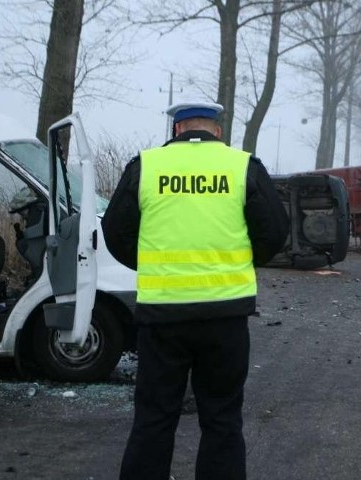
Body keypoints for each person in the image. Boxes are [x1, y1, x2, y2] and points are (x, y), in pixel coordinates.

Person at [101, 101, 289, 480]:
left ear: (177, 130)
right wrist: (237, 264)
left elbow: (115, 233)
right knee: (222, 419)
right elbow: (274, 231)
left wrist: (155, 265)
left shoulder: (146, 167)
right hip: (225, 316)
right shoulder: (242, 167)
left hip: (162, 318)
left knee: (154, 418)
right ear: (217, 131)